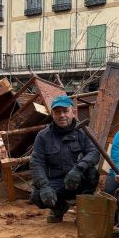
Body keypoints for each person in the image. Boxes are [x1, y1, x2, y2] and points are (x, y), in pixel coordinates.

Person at [30, 95, 100, 223]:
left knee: (92, 174)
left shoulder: (83, 131)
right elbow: (37, 162)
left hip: (78, 179)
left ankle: (83, 209)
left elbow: (94, 152)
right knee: (37, 196)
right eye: (58, 112)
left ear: (73, 112)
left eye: (65, 111)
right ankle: (59, 207)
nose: (62, 115)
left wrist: (79, 169)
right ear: (52, 114)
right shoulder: (43, 136)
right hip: (57, 181)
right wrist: (44, 186)